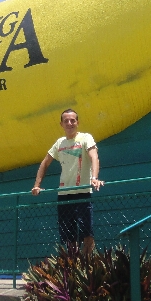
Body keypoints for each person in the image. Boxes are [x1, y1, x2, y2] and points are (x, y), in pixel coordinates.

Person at [32, 109, 104, 254]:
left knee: (87, 235)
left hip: (83, 193)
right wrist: (37, 186)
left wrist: (94, 178)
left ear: (77, 122)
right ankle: (73, 271)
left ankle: (87, 269)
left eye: (73, 120)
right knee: (68, 238)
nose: (70, 123)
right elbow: (45, 163)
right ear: (61, 124)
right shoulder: (59, 143)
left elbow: (94, 157)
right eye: (66, 121)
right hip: (64, 196)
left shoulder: (86, 138)